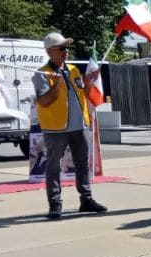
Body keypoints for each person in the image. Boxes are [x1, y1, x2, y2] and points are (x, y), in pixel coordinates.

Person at [33, 32, 107, 220]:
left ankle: (86, 199)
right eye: (62, 48)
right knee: (53, 167)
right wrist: (56, 84)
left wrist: (88, 83)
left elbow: (82, 94)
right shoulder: (42, 74)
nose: (66, 51)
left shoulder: (73, 70)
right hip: (55, 128)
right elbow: (44, 101)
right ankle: (55, 204)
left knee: (82, 164)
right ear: (50, 51)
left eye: (67, 48)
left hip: (79, 125)